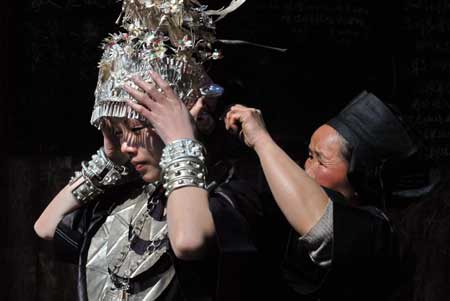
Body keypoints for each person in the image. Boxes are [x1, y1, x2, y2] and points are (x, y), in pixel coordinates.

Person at [34, 1, 259, 300]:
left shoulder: (229, 194)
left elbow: (188, 242)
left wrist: (181, 139)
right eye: (118, 133)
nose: (127, 145)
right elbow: (46, 227)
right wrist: (108, 160)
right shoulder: (126, 199)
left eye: (137, 129)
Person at [224, 91, 416, 300]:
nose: (308, 170)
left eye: (321, 161)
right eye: (309, 156)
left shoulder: (382, 232)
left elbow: (324, 231)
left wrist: (261, 140)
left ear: (361, 178)